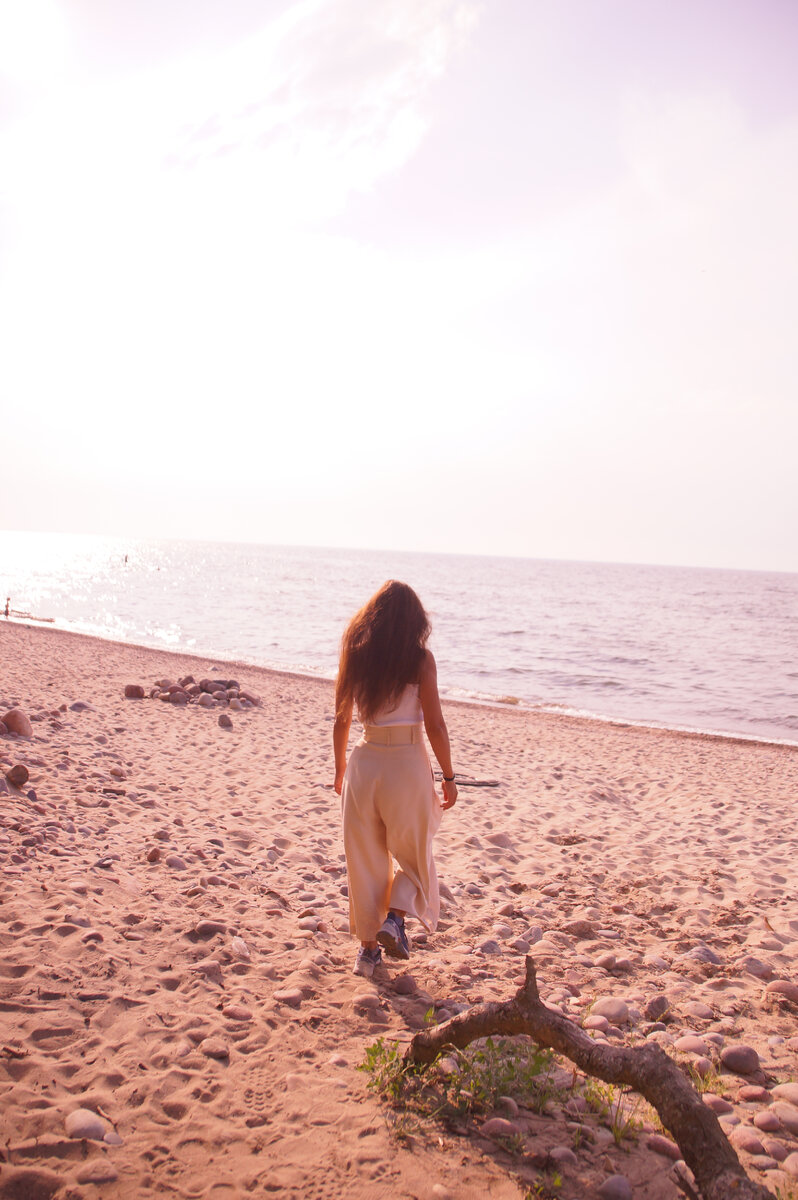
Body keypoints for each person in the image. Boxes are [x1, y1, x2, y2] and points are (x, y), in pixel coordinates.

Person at [333, 580, 458, 978]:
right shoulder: (420, 661)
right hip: (406, 765)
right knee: (416, 855)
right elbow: (435, 726)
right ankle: (395, 918)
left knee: (365, 860)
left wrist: (340, 769)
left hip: (364, 763)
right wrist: (449, 776)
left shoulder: (356, 655)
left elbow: (341, 719)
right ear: (415, 621)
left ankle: (368, 953)